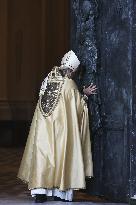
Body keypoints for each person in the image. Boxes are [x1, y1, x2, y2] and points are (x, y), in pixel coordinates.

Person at [18, 50, 96, 203]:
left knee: (43, 157)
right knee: (62, 156)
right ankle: (60, 193)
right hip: (61, 130)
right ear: (72, 70)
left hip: (42, 128)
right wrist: (85, 95)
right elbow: (78, 108)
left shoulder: (48, 80)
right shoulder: (70, 84)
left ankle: (40, 193)